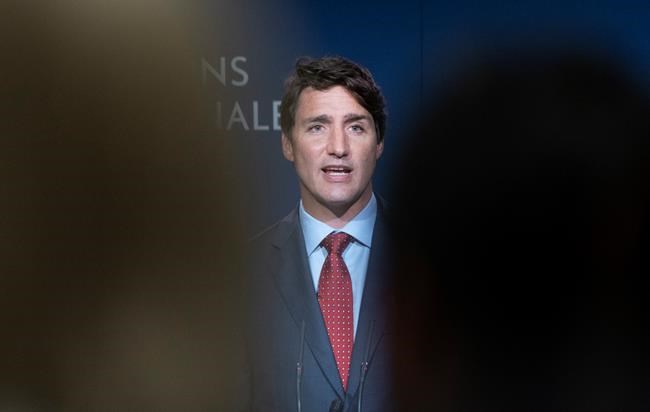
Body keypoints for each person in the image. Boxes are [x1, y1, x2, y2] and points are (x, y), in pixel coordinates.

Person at [239, 56, 395, 411]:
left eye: (356, 127)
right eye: (317, 127)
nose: (338, 147)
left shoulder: (429, 257)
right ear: (287, 144)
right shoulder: (244, 272)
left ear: (379, 143)